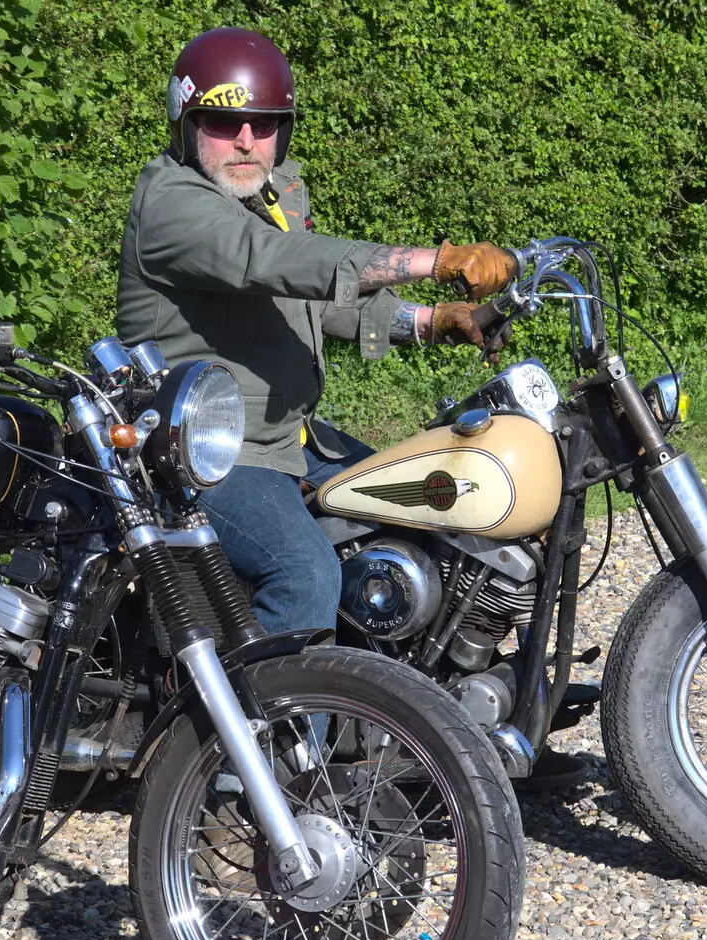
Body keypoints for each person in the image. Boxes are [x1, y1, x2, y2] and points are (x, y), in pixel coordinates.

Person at [116, 27, 587, 790]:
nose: (245, 140)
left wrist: (433, 319)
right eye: (224, 123)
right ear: (185, 123)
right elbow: (275, 263)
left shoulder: (268, 194)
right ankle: (257, 789)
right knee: (303, 572)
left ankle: (424, 719)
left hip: (284, 437)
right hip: (202, 455)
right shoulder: (171, 202)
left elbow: (312, 304)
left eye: (263, 123)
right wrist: (437, 259)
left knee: (422, 512)